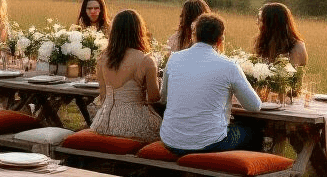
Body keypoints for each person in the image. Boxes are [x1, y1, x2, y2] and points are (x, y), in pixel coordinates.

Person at [159, 13, 263, 155]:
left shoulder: (174, 59)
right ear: (220, 40)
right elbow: (254, 106)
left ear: (194, 35)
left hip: (170, 140)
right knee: (253, 133)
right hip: (209, 143)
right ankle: (236, 174)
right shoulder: (229, 65)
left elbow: (163, 97)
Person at [89, 9, 161, 143]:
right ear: (139, 31)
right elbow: (154, 97)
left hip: (104, 123)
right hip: (134, 124)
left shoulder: (103, 58)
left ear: (114, 32)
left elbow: (103, 95)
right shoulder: (146, 60)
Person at [255, 2, 308, 67]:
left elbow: (288, 74)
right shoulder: (263, 43)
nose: (257, 23)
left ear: (272, 24)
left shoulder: (297, 47)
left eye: (260, 20)